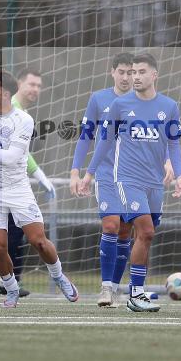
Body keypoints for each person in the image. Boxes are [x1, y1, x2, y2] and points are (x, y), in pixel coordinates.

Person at [79, 53, 181, 313]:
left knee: (142, 236)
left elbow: (173, 143)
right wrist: (89, 173)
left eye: (140, 72)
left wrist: (178, 173)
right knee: (144, 230)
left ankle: (128, 288)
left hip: (154, 182)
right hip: (126, 179)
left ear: (154, 75)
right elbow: (103, 141)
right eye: (132, 72)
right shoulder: (120, 105)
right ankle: (136, 294)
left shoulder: (169, 106)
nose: (135, 77)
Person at [0, 71, 79, 307]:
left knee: (38, 240)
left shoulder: (23, 120)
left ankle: (59, 276)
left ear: (5, 94)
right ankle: (11, 289)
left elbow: (11, 157)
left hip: (18, 189)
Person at [69, 53, 137, 307]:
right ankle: (106, 288)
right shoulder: (99, 99)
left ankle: (116, 287)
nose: (126, 77)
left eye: (131, 72)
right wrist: (76, 171)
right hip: (106, 174)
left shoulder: (144, 101)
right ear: (113, 72)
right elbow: (86, 136)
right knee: (110, 225)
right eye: (122, 71)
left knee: (124, 231)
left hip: (134, 176)